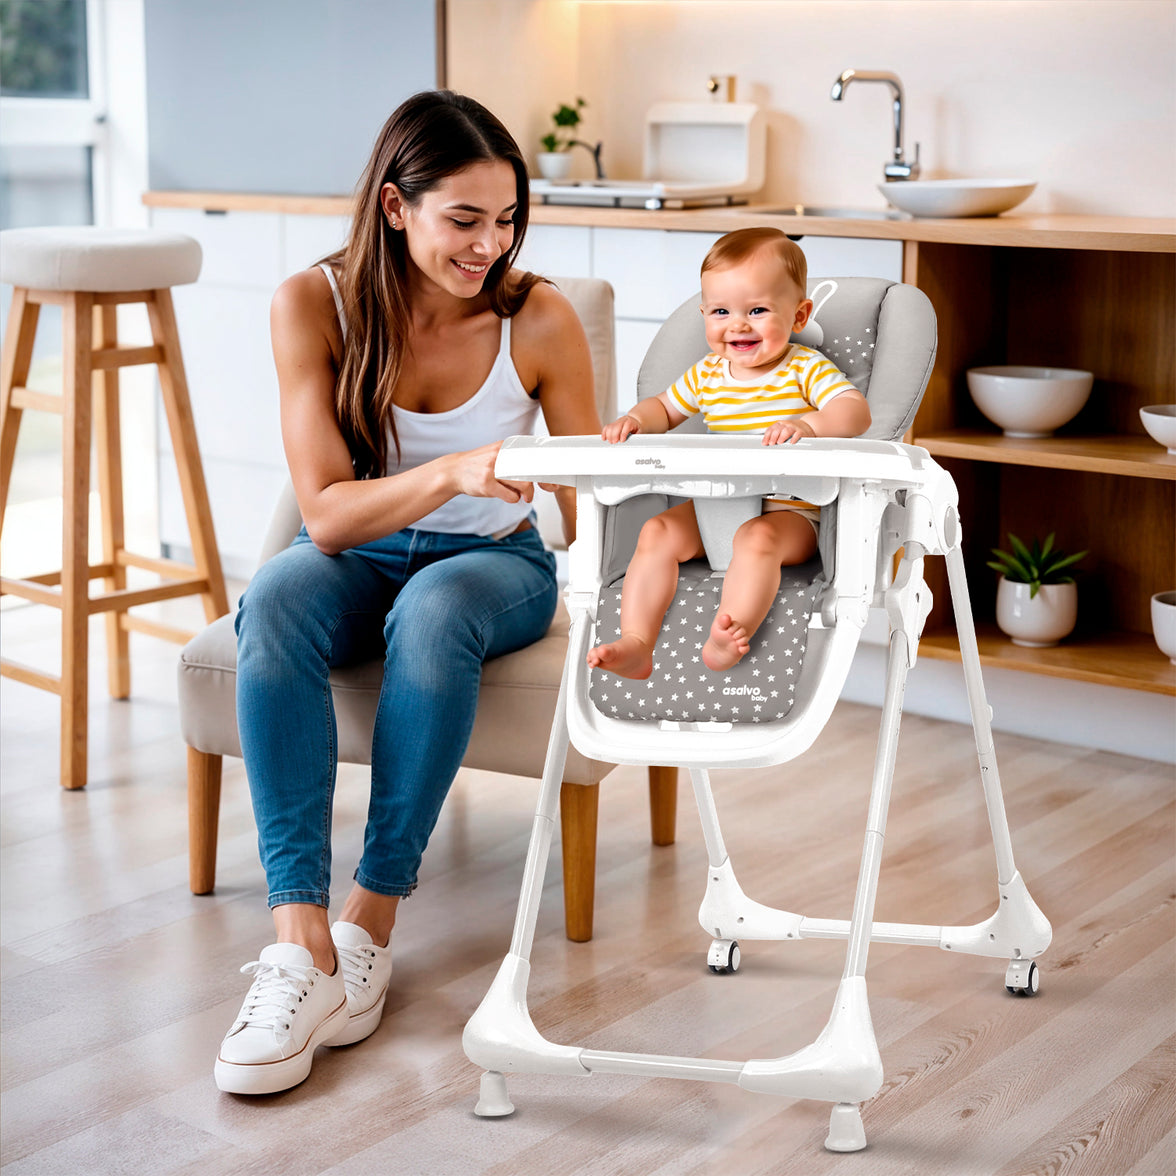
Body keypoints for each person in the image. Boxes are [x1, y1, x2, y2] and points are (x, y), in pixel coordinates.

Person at [215, 90, 601, 1096]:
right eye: (463, 220)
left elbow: (584, 497)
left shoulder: (538, 316)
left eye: (508, 219)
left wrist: (577, 487)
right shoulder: (316, 302)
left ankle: (371, 924)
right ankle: (301, 944)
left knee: (433, 614)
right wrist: (453, 470)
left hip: (497, 566)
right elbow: (330, 516)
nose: (491, 246)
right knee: (281, 594)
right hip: (363, 548)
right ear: (396, 206)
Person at [586, 227, 870, 681]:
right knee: (657, 531)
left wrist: (807, 425)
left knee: (756, 541)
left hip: (789, 511)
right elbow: (663, 406)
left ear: (798, 316)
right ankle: (638, 642)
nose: (737, 325)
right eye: (721, 311)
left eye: (757, 311)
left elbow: (854, 411)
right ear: (704, 313)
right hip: (714, 507)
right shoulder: (707, 374)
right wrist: (637, 420)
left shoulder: (804, 369)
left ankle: (729, 634)